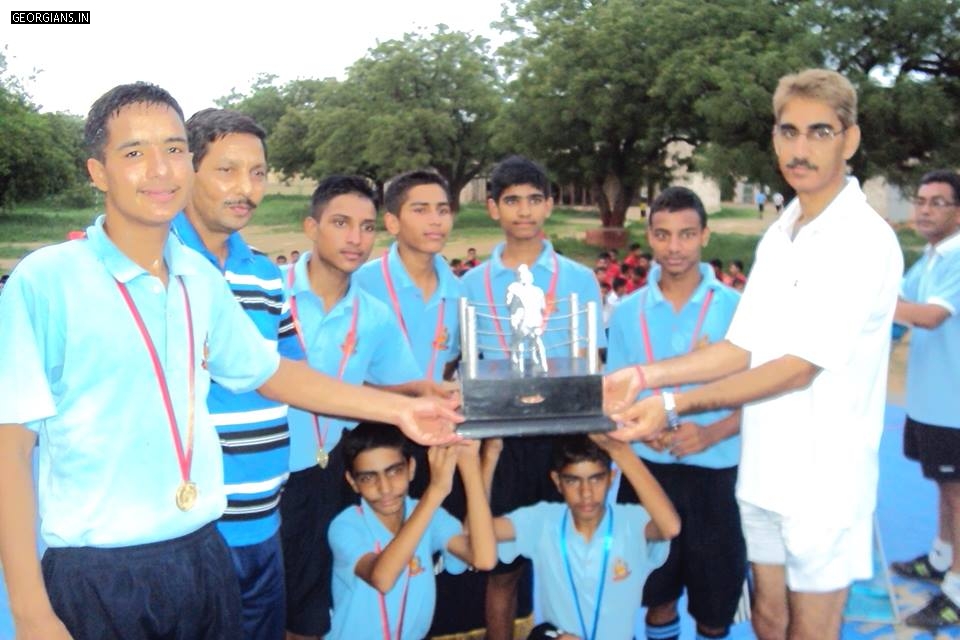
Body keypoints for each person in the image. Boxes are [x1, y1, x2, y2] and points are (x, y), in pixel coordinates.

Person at [0, 82, 460, 640]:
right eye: (134, 153)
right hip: (100, 570)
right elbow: (10, 444)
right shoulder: (47, 280)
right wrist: (29, 610)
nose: (161, 170)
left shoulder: (199, 280)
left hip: (203, 553)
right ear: (97, 172)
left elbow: (273, 372)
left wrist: (397, 409)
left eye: (173, 150)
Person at [603, 69, 902, 640]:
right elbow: (741, 348)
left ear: (850, 139)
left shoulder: (862, 239)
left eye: (820, 131)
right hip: (764, 466)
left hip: (825, 480)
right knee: (767, 615)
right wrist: (641, 375)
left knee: (812, 628)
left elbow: (795, 369)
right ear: (773, 138)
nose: (800, 148)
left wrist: (671, 404)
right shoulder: (781, 233)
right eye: (789, 132)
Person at [170, 107, 302, 639]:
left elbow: (295, 374)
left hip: (265, 523)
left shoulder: (267, 275)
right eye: (227, 170)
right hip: (191, 532)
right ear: (187, 170)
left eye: (258, 172)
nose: (246, 187)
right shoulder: (161, 263)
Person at [461, 155, 605, 640]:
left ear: (550, 205)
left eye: (534, 199)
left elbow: (592, 365)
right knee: (503, 572)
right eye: (513, 200)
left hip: (565, 440)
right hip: (502, 443)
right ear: (493, 208)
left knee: (575, 563)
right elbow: (465, 364)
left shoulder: (580, 280)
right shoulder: (470, 285)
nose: (524, 211)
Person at [279, 175, 424, 640]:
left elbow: (404, 388)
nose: (355, 239)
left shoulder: (374, 315)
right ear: (311, 226)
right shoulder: (268, 296)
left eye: (366, 227)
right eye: (341, 223)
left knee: (315, 609)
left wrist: (445, 397)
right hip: (265, 474)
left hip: (332, 477)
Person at [607, 186, 745, 640]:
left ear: (705, 235)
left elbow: (759, 392)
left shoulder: (736, 308)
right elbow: (616, 394)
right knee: (656, 596)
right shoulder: (627, 313)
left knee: (715, 605)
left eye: (686, 234)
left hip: (717, 471)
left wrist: (711, 434)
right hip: (649, 473)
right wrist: (644, 434)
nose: (675, 247)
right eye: (663, 235)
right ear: (648, 236)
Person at [466, 434, 680, 640]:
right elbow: (472, 533)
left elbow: (670, 527)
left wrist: (622, 452)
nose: (586, 493)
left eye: (596, 479)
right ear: (557, 482)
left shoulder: (629, 522)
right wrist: (489, 457)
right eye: (572, 481)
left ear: (611, 478)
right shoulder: (543, 521)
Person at [328, 423, 497, 640]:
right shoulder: (346, 526)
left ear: (411, 468)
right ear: (352, 482)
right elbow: (383, 579)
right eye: (368, 478)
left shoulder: (428, 514)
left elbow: (484, 559)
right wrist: (435, 491)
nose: (385, 488)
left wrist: (470, 465)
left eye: (394, 471)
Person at [888, 170, 960, 630]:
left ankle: (956, 589)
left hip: (954, 406)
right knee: (944, 486)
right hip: (930, 402)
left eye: (938, 202)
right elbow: (899, 308)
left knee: (958, 492)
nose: (925, 209)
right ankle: (940, 557)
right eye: (921, 200)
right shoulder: (931, 258)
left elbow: (930, 316)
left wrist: (866, 303)